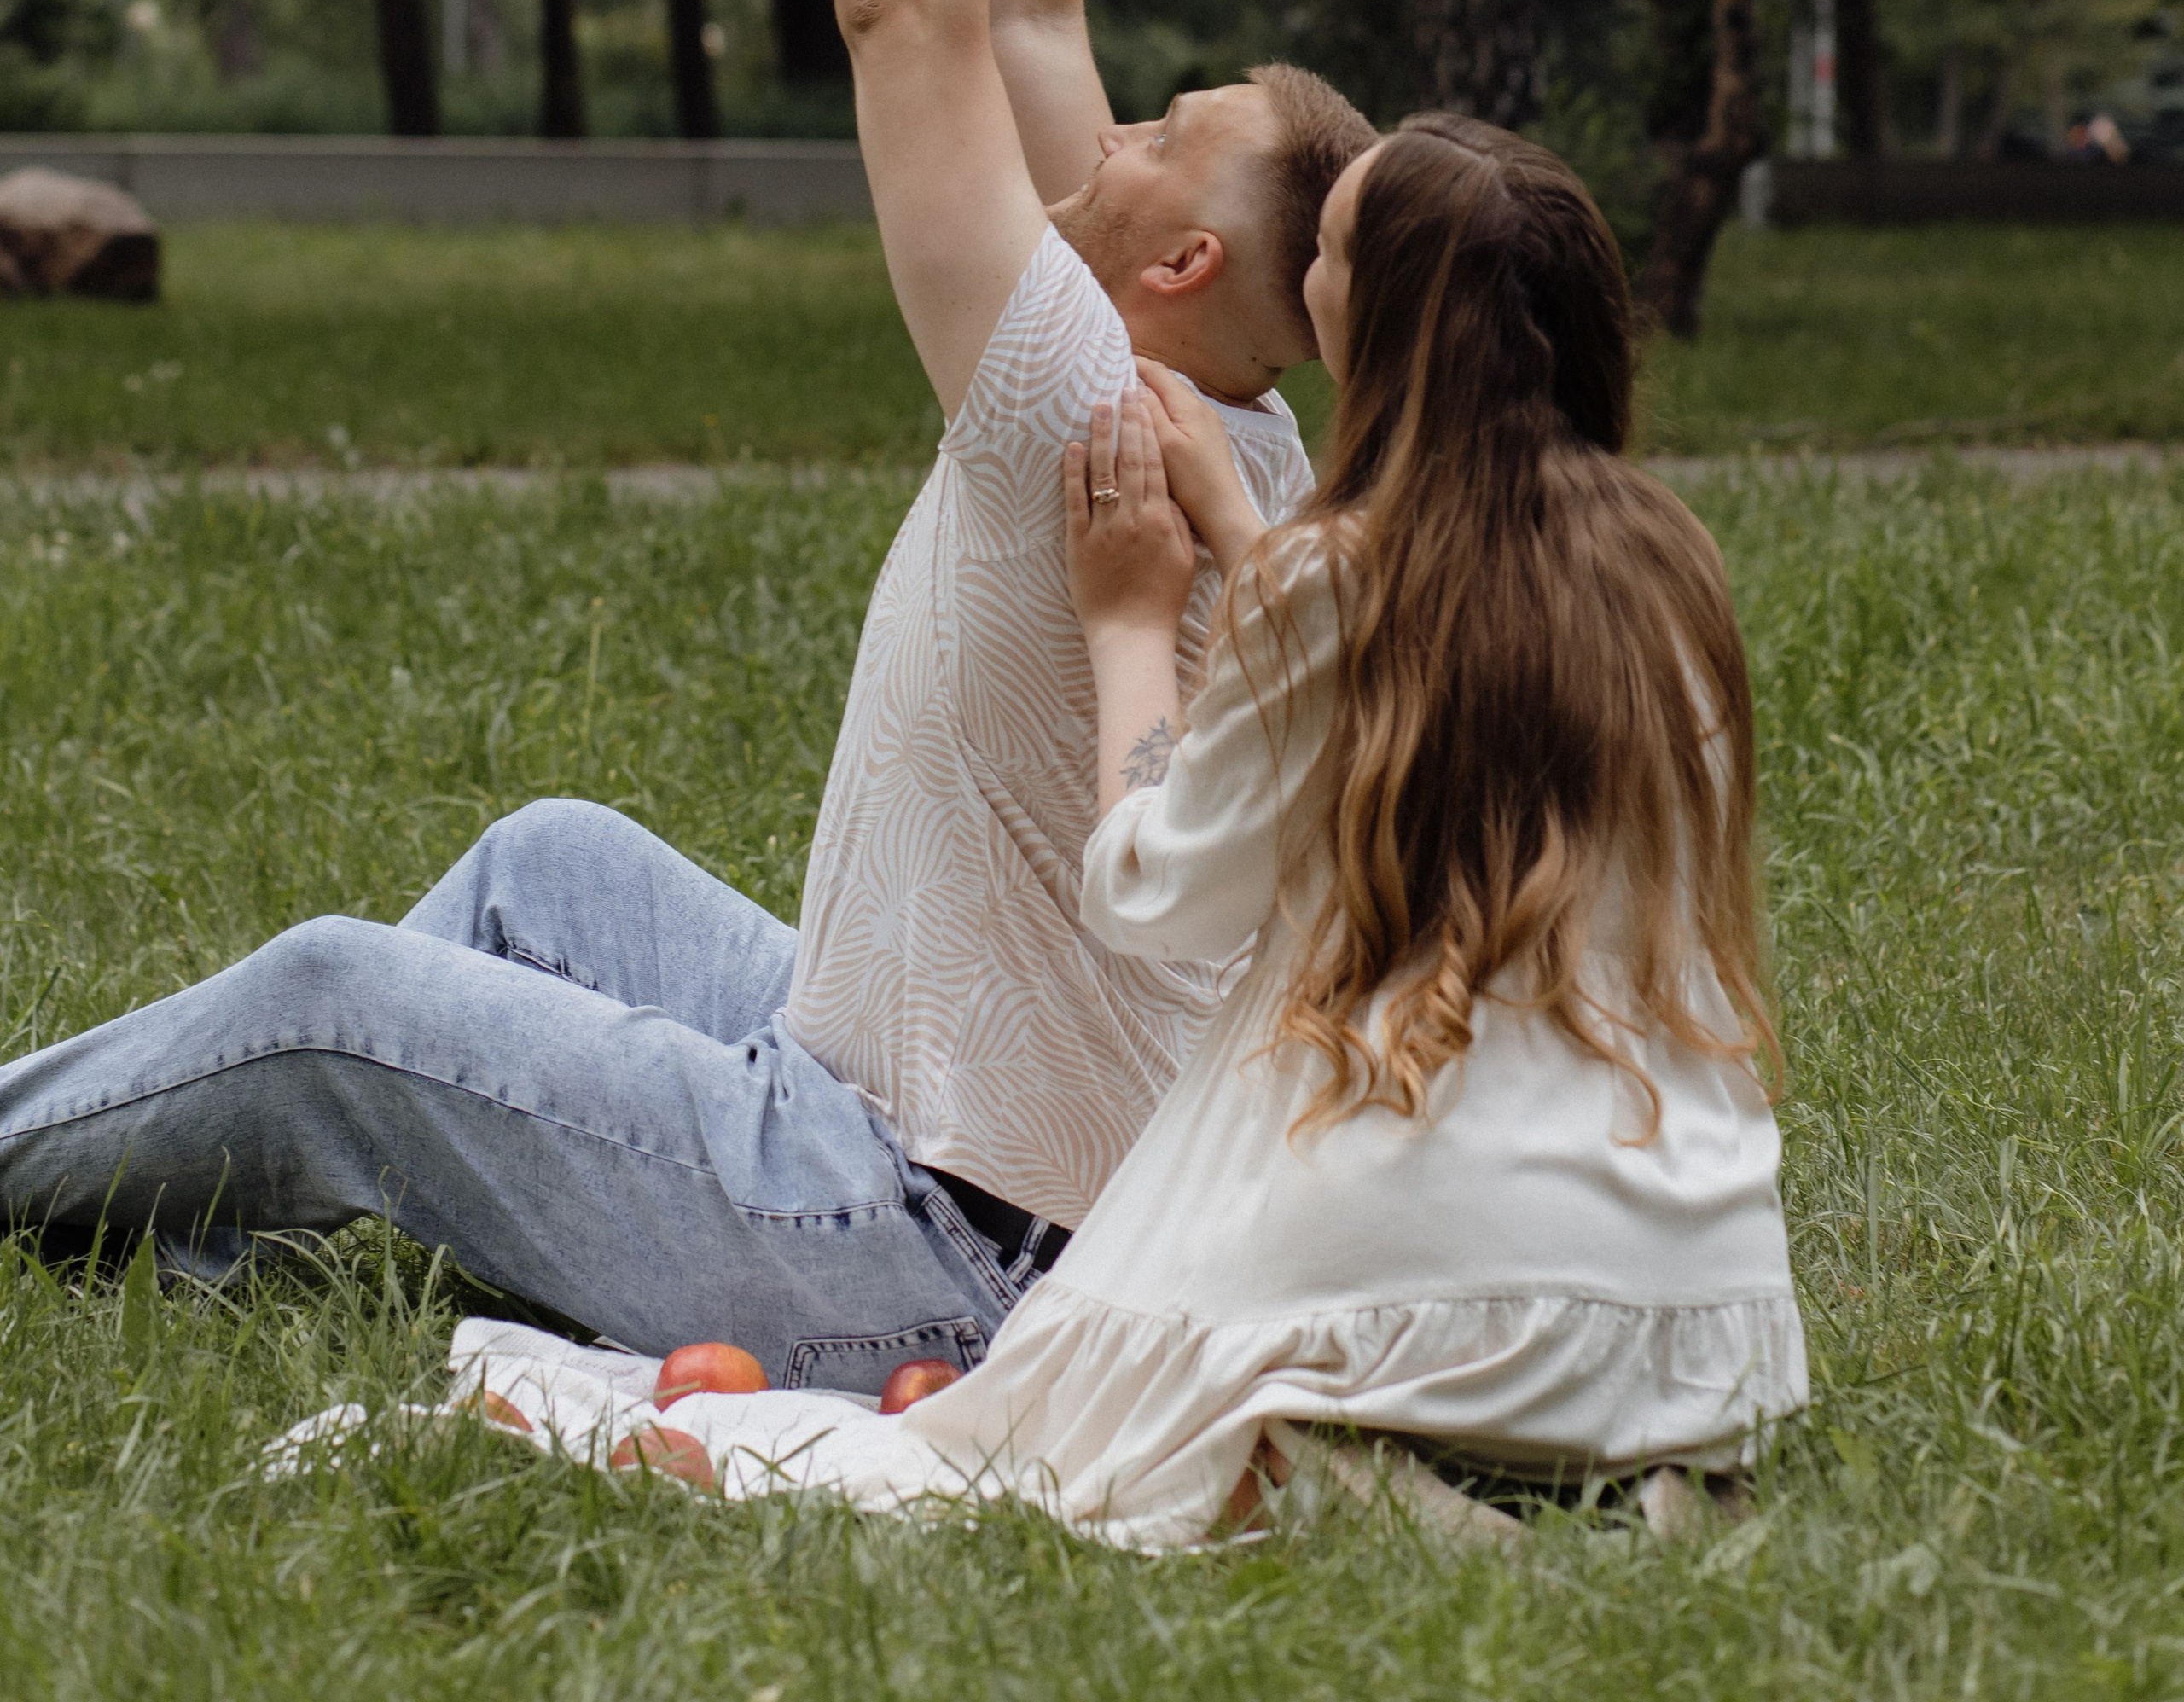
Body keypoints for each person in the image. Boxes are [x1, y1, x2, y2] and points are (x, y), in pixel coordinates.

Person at [0, 0, 1372, 1394]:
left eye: (1173, 117)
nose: (1127, 101)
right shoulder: (1204, 379)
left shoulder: (1077, 389)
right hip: (932, 1127)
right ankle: (226, 1233)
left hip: (927, 1241)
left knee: (325, 1001)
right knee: (552, 860)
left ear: (1179, 256)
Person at [432, 116, 1806, 1549]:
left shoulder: (1346, 584)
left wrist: (1132, 620)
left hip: (1449, 1302)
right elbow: (1411, 677)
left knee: (1036, 1434)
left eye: (1330, 253)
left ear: (1379, 324)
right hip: (1699, 1335)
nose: (1309, 279)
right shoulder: (1667, 567)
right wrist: (1232, 513)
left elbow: (1157, 891)